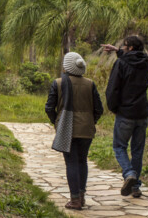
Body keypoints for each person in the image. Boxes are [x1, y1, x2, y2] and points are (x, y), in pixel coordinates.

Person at [45, 52, 104, 210]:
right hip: (86, 129)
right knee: (82, 161)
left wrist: (57, 122)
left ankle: (75, 199)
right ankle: (82, 196)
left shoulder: (58, 83)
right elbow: (99, 109)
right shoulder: (90, 84)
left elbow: (49, 107)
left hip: (67, 128)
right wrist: (90, 121)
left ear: (66, 66)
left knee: (71, 162)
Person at [102, 35, 148, 198]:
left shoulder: (121, 63)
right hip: (142, 112)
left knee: (119, 146)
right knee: (137, 150)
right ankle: (135, 186)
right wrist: (117, 51)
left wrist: (113, 107)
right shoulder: (147, 62)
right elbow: (133, 61)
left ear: (130, 48)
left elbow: (113, 88)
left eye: (124, 46)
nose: (122, 48)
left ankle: (129, 173)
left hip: (125, 113)